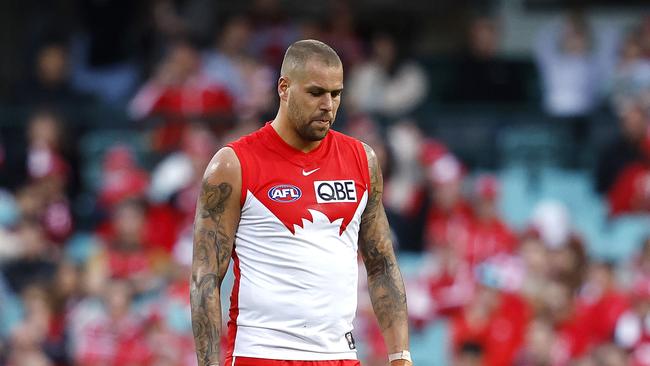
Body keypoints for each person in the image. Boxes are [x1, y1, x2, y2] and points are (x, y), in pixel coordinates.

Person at [190, 40, 411, 366]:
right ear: (284, 88)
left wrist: (401, 357)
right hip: (262, 354)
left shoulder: (363, 161)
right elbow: (205, 277)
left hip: (340, 356)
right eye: (316, 92)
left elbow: (382, 265)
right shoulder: (234, 165)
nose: (328, 105)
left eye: (336, 94)